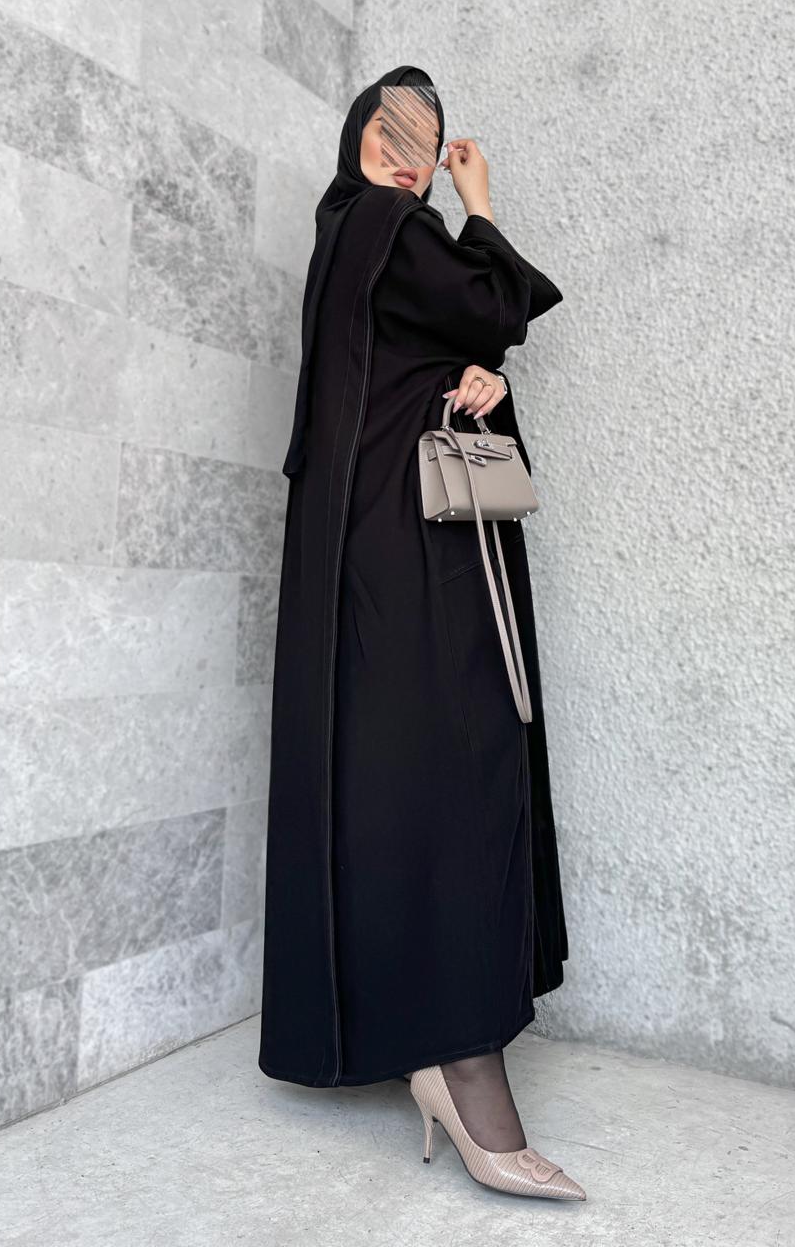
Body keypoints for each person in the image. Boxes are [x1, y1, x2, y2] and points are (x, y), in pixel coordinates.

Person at [258, 66, 585, 1202]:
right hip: (410, 551)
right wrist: (478, 200)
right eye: (389, 124)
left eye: (428, 133)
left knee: (403, 775)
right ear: (358, 134)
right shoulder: (389, 224)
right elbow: (497, 303)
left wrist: (474, 377)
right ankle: (458, 1062)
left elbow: (436, 350)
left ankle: (431, 1041)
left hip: (379, 550)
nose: (408, 145)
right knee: (452, 771)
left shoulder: (351, 240)